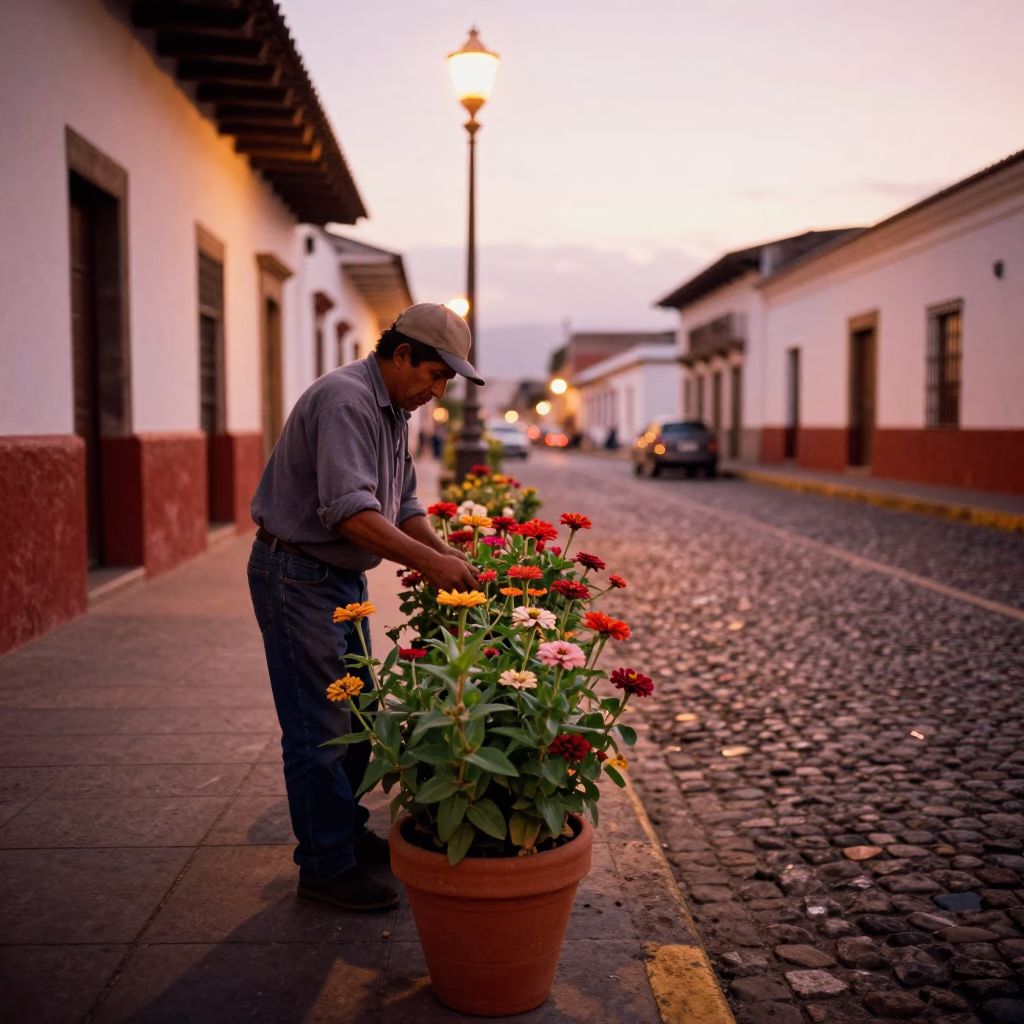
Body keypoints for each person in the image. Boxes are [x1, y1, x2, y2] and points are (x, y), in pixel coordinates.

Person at [248, 303, 482, 911]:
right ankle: (324, 867)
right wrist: (432, 566)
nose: (437, 392)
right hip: (297, 574)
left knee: (357, 720)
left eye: (447, 383)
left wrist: (446, 554)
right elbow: (349, 511)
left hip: (336, 579)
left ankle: (344, 837)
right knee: (317, 729)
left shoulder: (393, 408)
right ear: (400, 354)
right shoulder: (347, 401)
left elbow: (401, 504)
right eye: (434, 375)